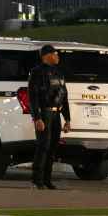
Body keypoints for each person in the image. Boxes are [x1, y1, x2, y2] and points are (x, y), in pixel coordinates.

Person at [28, 44, 71, 189]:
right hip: (44, 113)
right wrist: (37, 118)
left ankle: (47, 179)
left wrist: (68, 119)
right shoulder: (37, 72)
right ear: (47, 56)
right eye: (55, 53)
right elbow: (32, 97)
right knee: (43, 146)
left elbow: (64, 97)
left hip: (56, 113)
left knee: (53, 147)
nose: (57, 56)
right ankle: (37, 179)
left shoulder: (59, 73)